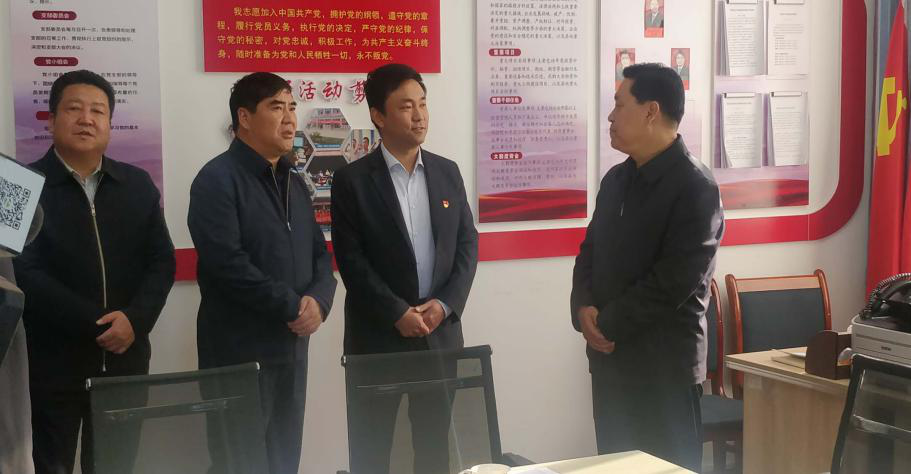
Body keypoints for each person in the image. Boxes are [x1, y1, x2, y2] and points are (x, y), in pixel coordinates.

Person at [14, 69, 176, 474]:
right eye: (74, 109)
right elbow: (24, 272)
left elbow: (162, 261)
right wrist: (98, 324)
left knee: (116, 465)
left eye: (98, 111)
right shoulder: (20, 186)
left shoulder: (137, 184)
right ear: (51, 119)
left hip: (126, 360)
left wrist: (135, 320)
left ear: (109, 122)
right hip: (52, 364)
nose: (87, 119)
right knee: (51, 465)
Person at [570, 63, 724, 472]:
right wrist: (583, 309)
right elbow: (588, 253)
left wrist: (607, 324)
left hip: (663, 371)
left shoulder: (696, 188)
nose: (610, 116)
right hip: (610, 364)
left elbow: (674, 282)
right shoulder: (616, 180)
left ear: (651, 111)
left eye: (620, 105)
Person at [331, 63, 479, 474]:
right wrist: (397, 312)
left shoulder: (447, 171)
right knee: (372, 450)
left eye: (423, 104)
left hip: (439, 334)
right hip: (378, 338)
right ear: (378, 115)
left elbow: (467, 244)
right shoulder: (352, 181)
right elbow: (351, 260)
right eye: (406, 106)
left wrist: (444, 305)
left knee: (434, 449)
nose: (419, 116)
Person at [188, 72, 337, 474]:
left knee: (285, 459)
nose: (290, 119)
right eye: (276, 107)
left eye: (292, 108)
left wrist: (320, 301)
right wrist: (293, 306)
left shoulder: (294, 181)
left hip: (292, 350)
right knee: (239, 461)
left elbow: (319, 255)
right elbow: (227, 264)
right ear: (244, 117)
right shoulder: (216, 180)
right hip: (238, 353)